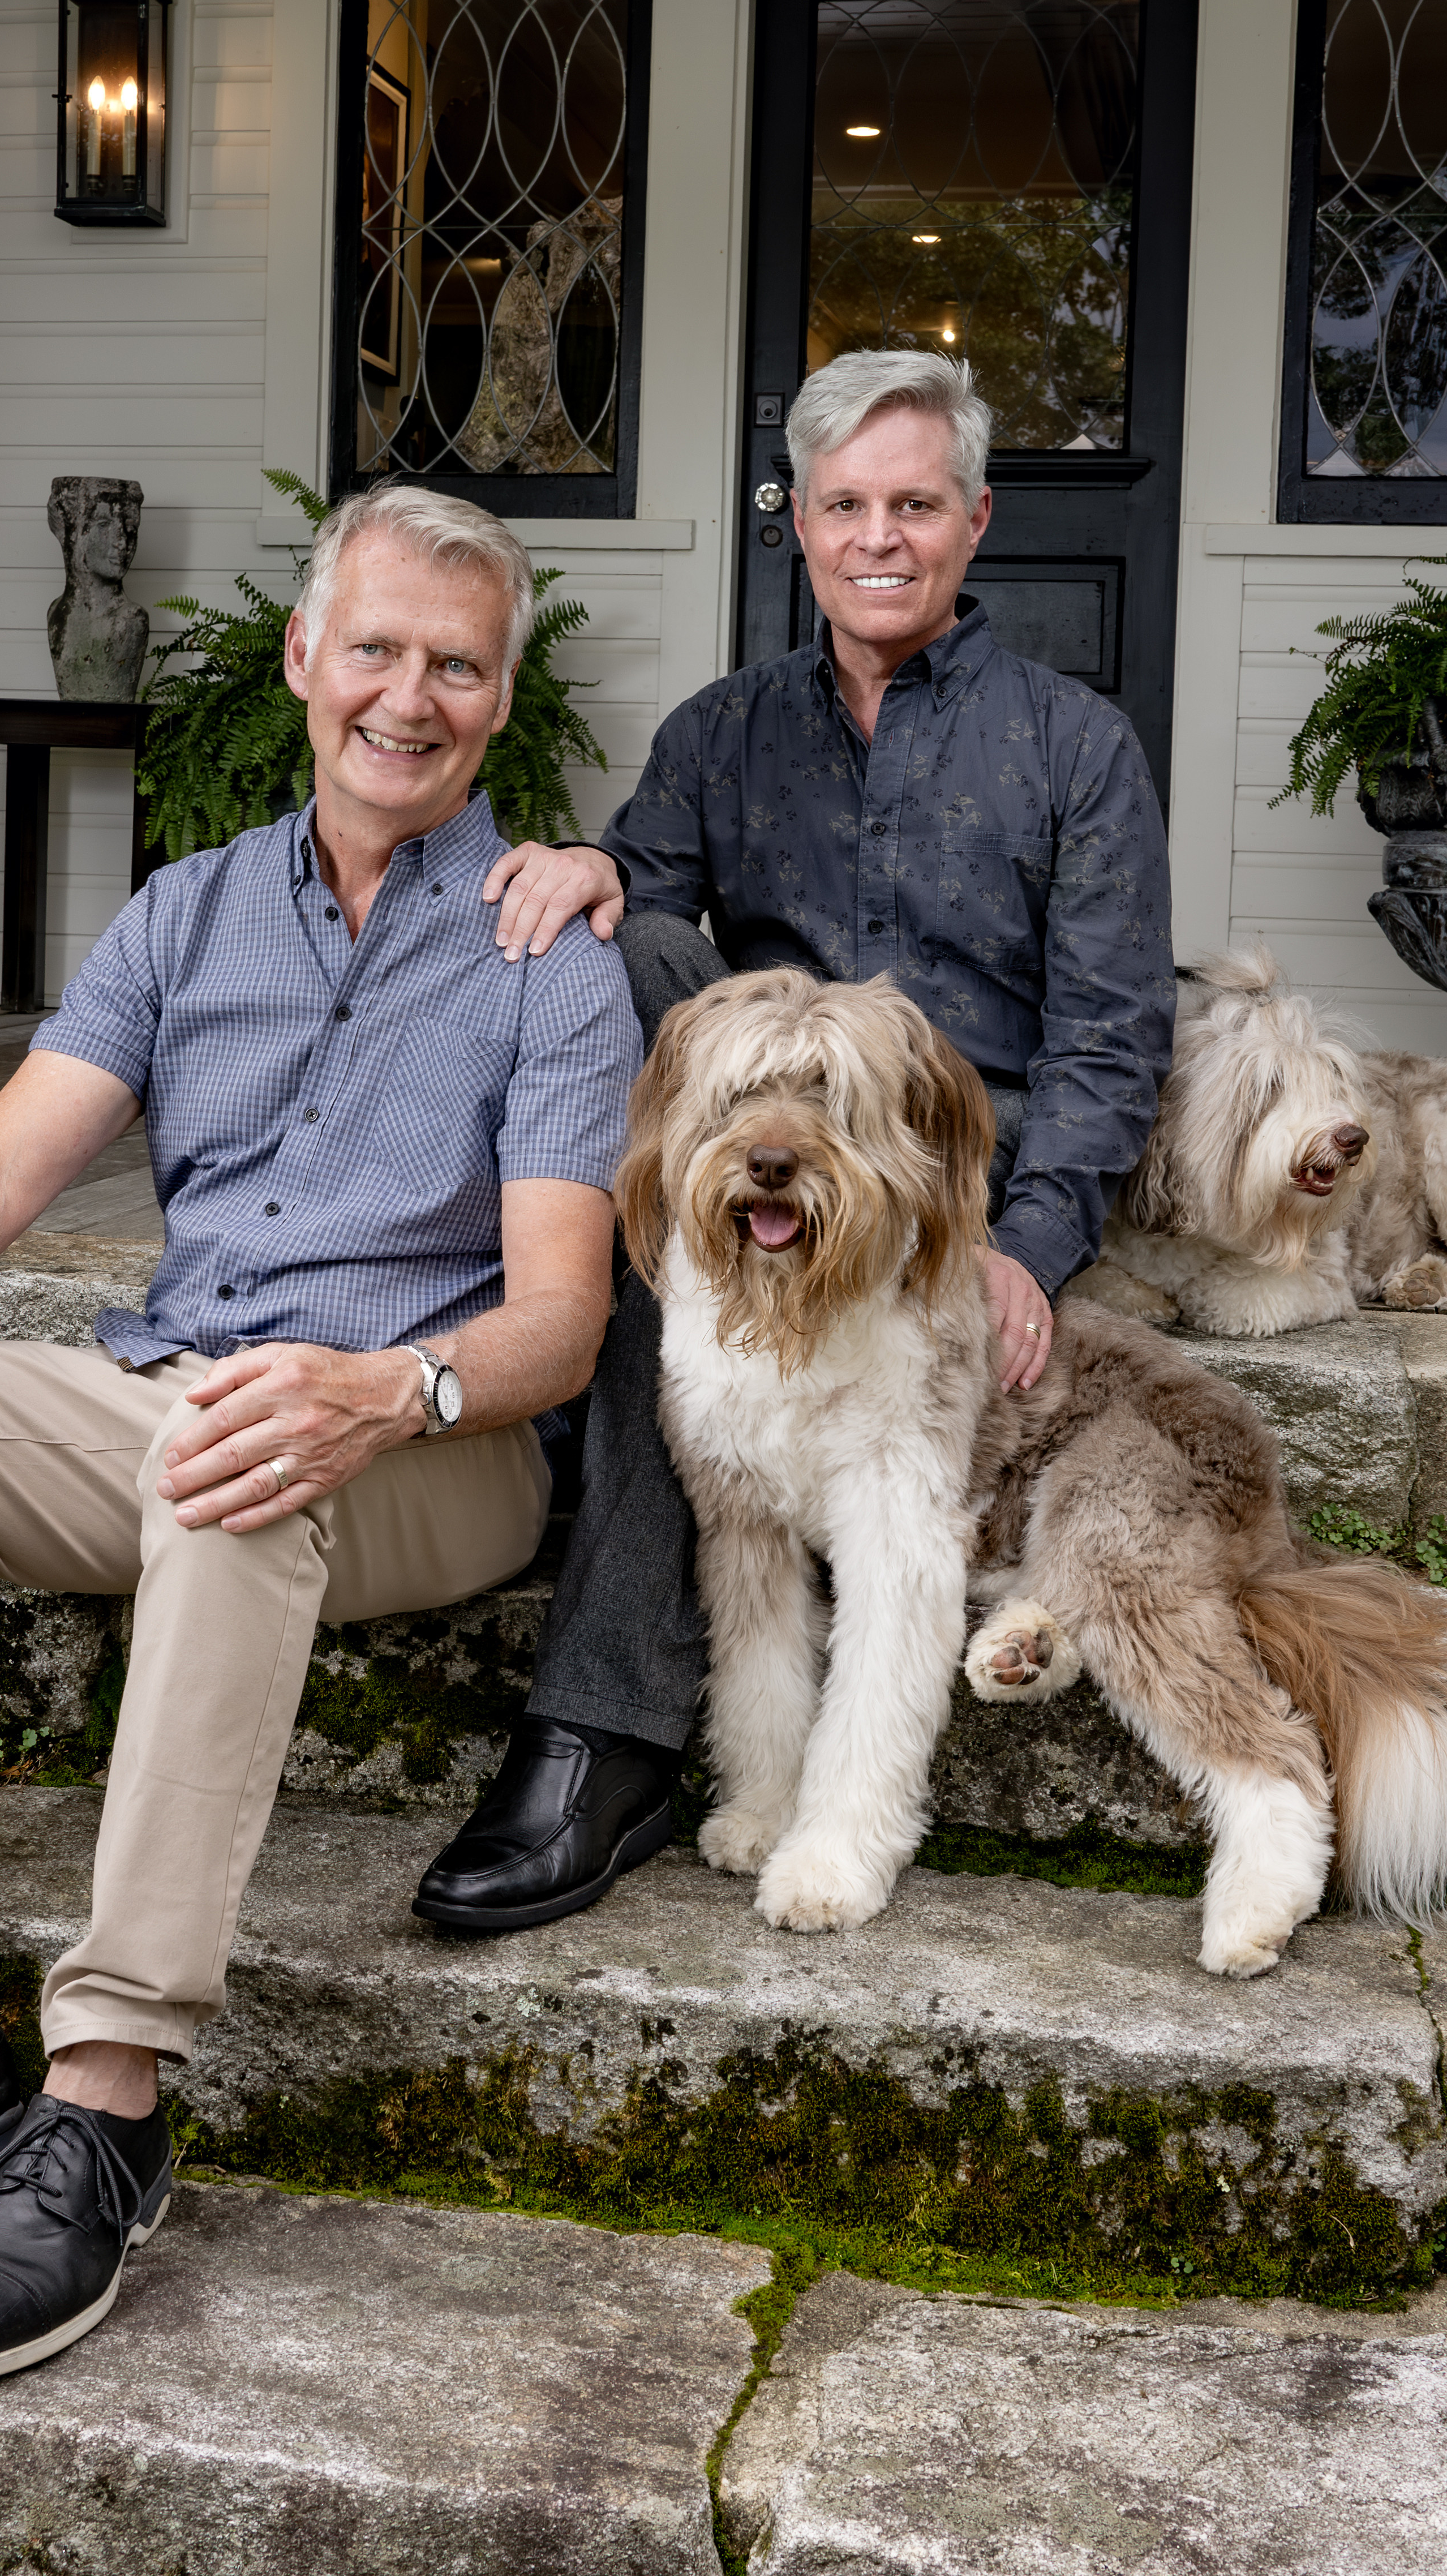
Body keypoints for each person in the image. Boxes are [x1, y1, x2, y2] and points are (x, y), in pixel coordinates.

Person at [0, 484, 634, 2384]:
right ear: (304, 660)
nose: (409, 697)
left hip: (435, 1442)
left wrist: (378, 1390)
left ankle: (108, 2096)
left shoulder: (550, 953)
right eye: (379, 650)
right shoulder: (187, 910)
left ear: (499, 705)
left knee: (238, 1462)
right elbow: (3, 1161)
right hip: (173, 1393)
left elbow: (561, 1328)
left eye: (458, 666)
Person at [411, 346, 1176, 1936]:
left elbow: (1112, 1037)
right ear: (801, 528)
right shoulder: (723, 730)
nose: (878, 537)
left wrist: (1025, 1245)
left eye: (914, 503)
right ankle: (620, 1717)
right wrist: (573, 869)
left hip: (943, 1163)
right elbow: (638, 897)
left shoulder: (1076, 745)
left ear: (975, 521)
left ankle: (606, 1725)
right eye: (844, 505)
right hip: (755, 1147)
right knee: (609, 968)